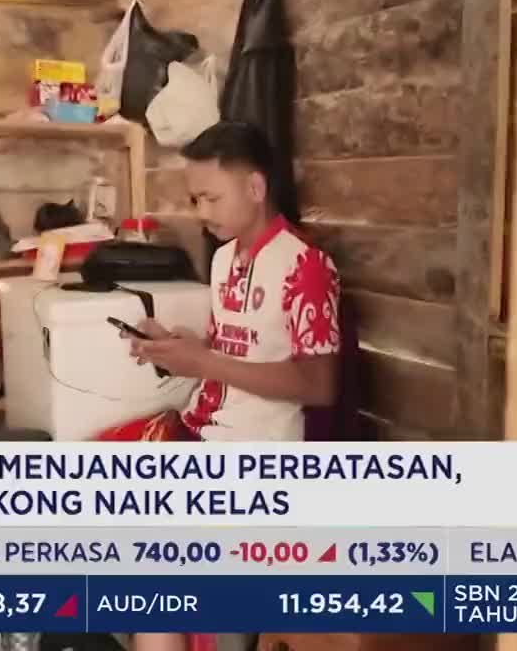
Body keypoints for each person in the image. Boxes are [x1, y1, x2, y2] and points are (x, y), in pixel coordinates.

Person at [118, 121, 342, 650]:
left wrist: (204, 363)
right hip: (206, 435)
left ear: (256, 189)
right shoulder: (224, 260)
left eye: (211, 198)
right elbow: (230, 349)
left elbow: (320, 384)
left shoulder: (305, 268)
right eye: (196, 199)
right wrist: (177, 346)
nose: (202, 212)